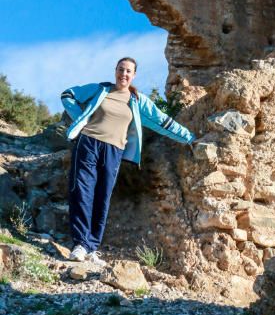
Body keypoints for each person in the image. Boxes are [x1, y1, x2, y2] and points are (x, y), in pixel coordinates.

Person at [61, 57, 195, 266]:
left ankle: (92, 248)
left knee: (102, 197)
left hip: (114, 151)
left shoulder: (137, 100)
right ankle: (80, 244)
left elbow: (162, 121)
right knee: (82, 191)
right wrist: (82, 119)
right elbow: (68, 95)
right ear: (115, 71)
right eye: (121, 69)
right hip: (88, 144)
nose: (124, 74)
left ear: (133, 75)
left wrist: (188, 137)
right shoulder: (99, 90)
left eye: (128, 71)